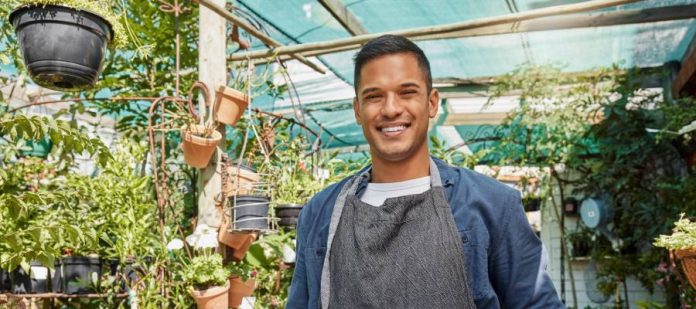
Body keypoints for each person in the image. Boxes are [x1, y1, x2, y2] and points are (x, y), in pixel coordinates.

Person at [286, 34, 564, 309]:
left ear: (431, 103)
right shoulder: (319, 213)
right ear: (358, 110)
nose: (391, 109)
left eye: (407, 92)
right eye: (374, 96)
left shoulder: (493, 205)